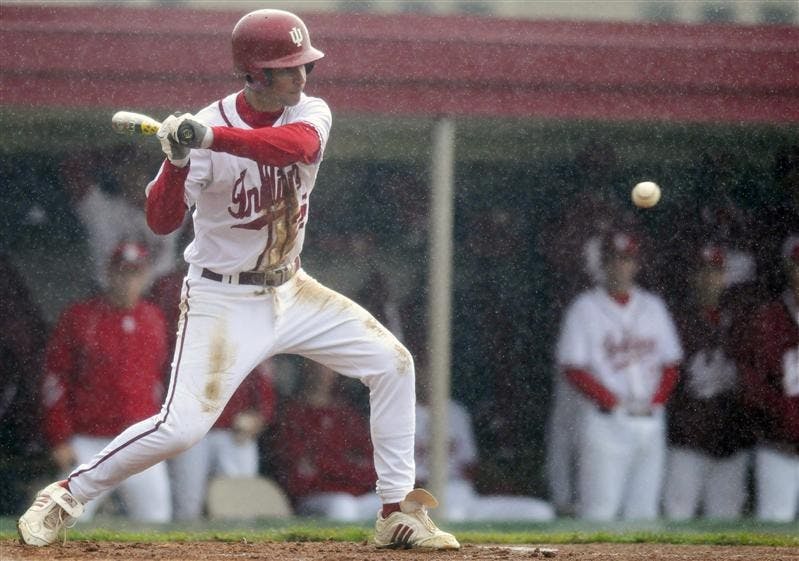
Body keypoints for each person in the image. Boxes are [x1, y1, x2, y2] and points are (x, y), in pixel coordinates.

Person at [18, 9, 458, 550]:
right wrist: (179, 158)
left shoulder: (308, 112)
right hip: (221, 296)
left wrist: (211, 137)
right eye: (288, 68)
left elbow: (297, 148)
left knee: (393, 364)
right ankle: (64, 495)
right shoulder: (204, 129)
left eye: (304, 66)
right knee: (181, 428)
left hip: (292, 288)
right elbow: (161, 220)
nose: (302, 78)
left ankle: (396, 512)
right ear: (254, 73)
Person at [36, 241, 172, 523]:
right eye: (122, 272)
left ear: (145, 276)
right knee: (64, 521)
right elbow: (55, 381)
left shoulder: (154, 318)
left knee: (157, 523)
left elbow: (164, 380)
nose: (128, 280)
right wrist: (59, 437)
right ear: (109, 273)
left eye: (135, 273)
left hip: (139, 441)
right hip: (89, 440)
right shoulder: (80, 316)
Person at [556, 231, 683, 520]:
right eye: (614, 260)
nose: (621, 267)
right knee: (599, 511)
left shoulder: (653, 307)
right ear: (603, 264)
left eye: (627, 260)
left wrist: (657, 400)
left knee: (644, 513)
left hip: (651, 419)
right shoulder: (585, 308)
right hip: (605, 421)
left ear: (636, 264)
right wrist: (611, 400)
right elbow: (572, 367)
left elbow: (672, 364)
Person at [663, 244, 754, 520]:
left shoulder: (742, 322)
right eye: (702, 271)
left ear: (725, 276)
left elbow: (756, 377)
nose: (708, 278)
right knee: (677, 519)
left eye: (715, 271)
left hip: (729, 441)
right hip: (686, 442)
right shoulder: (675, 320)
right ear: (692, 276)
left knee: (725, 526)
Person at [414, 365, 555, 522]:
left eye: (432, 372)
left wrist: (497, 486)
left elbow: (471, 466)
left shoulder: (456, 412)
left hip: (456, 491)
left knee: (540, 511)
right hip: (413, 496)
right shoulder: (396, 412)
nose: (427, 378)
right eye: (421, 372)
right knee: (451, 517)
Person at [272, 360, 380, 521]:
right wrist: (346, 466)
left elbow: (372, 466)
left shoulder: (347, 414)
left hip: (357, 495)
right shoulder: (292, 414)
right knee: (343, 506)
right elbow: (298, 477)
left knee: (399, 504)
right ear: (307, 370)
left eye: (330, 368)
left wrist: (333, 467)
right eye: (319, 366)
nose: (324, 373)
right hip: (314, 499)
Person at [739, 235, 799, 522]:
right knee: (773, 535)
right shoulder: (768, 318)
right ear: (788, 268)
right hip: (779, 448)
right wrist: (784, 417)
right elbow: (752, 385)